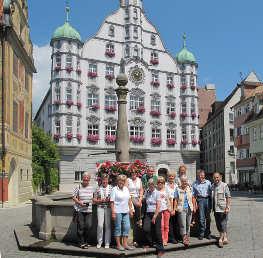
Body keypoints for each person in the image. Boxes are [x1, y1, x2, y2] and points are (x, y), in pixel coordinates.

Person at [110, 174, 134, 251]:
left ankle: (125, 244)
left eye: (123, 181)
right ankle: (118, 245)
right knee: (118, 228)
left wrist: (130, 210)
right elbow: (112, 202)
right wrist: (113, 212)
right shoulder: (114, 189)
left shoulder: (126, 189)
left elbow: (129, 200)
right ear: (117, 181)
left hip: (126, 211)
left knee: (127, 227)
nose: (122, 182)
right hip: (117, 211)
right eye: (120, 180)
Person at [72, 172, 95, 249]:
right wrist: (79, 202)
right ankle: (81, 242)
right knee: (81, 227)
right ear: (82, 179)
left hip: (89, 210)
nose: (85, 181)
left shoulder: (92, 188)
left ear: (89, 180)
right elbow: (73, 197)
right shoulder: (78, 186)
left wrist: (95, 201)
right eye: (84, 179)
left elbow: (94, 198)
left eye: (87, 180)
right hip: (80, 210)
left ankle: (86, 242)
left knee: (89, 226)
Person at [143, 178, 164, 258]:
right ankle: (151, 243)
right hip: (148, 213)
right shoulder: (147, 192)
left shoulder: (157, 193)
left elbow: (158, 205)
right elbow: (143, 200)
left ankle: (161, 249)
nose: (150, 186)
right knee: (146, 228)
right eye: (149, 184)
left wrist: (155, 216)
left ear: (154, 185)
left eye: (152, 184)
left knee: (157, 231)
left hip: (157, 213)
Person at [174, 175, 196, 247]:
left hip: (189, 208)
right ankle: (184, 237)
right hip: (181, 208)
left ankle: (187, 236)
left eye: (185, 181)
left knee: (188, 223)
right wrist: (175, 208)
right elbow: (176, 200)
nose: (184, 182)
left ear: (187, 181)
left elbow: (193, 198)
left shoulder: (190, 188)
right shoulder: (177, 189)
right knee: (182, 224)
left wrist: (194, 207)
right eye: (183, 181)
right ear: (180, 181)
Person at [212, 172, 231, 248]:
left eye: (217, 177)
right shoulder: (212, 186)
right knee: (218, 224)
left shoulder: (224, 185)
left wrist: (227, 207)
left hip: (223, 208)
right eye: (214, 178)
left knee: (223, 223)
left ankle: (220, 239)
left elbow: (228, 197)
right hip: (215, 208)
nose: (216, 179)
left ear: (220, 177)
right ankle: (225, 237)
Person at [93, 174, 112, 249]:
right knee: (100, 225)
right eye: (103, 180)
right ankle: (99, 241)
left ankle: (107, 242)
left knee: (108, 225)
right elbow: (94, 200)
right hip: (100, 207)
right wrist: (100, 200)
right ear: (101, 180)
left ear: (108, 180)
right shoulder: (97, 188)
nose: (105, 181)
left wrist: (109, 200)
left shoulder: (111, 188)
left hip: (108, 208)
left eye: (106, 180)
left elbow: (113, 198)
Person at [192, 169, 212, 240]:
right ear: (198, 176)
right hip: (200, 200)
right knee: (201, 218)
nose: (201, 177)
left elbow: (212, 192)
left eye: (203, 175)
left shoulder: (208, 182)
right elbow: (193, 196)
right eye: (200, 175)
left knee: (208, 218)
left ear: (204, 175)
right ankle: (202, 233)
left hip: (207, 199)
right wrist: (194, 205)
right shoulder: (195, 183)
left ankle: (208, 233)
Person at [127, 171, 143, 246]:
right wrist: (134, 202)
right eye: (132, 173)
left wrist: (140, 199)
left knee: (137, 222)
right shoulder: (128, 180)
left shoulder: (139, 180)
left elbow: (141, 190)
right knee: (131, 220)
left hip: (138, 199)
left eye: (135, 173)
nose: (133, 174)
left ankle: (136, 239)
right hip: (130, 199)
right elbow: (126, 191)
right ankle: (129, 240)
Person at [157, 176, 172, 246]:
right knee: (161, 226)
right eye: (159, 182)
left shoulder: (166, 190)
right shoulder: (156, 190)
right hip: (159, 211)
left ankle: (165, 239)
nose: (160, 183)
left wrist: (170, 209)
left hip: (166, 210)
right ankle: (162, 239)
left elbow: (169, 200)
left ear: (164, 183)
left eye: (162, 182)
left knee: (166, 226)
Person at [165, 170, 178, 244]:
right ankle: (171, 237)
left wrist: (174, 208)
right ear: (167, 177)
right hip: (168, 205)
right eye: (169, 176)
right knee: (169, 222)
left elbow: (177, 197)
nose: (171, 177)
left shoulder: (176, 185)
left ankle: (176, 236)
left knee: (175, 222)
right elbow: (167, 197)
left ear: (174, 177)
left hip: (175, 204)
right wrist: (171, 208)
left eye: (172, 176)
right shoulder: (166, 185)